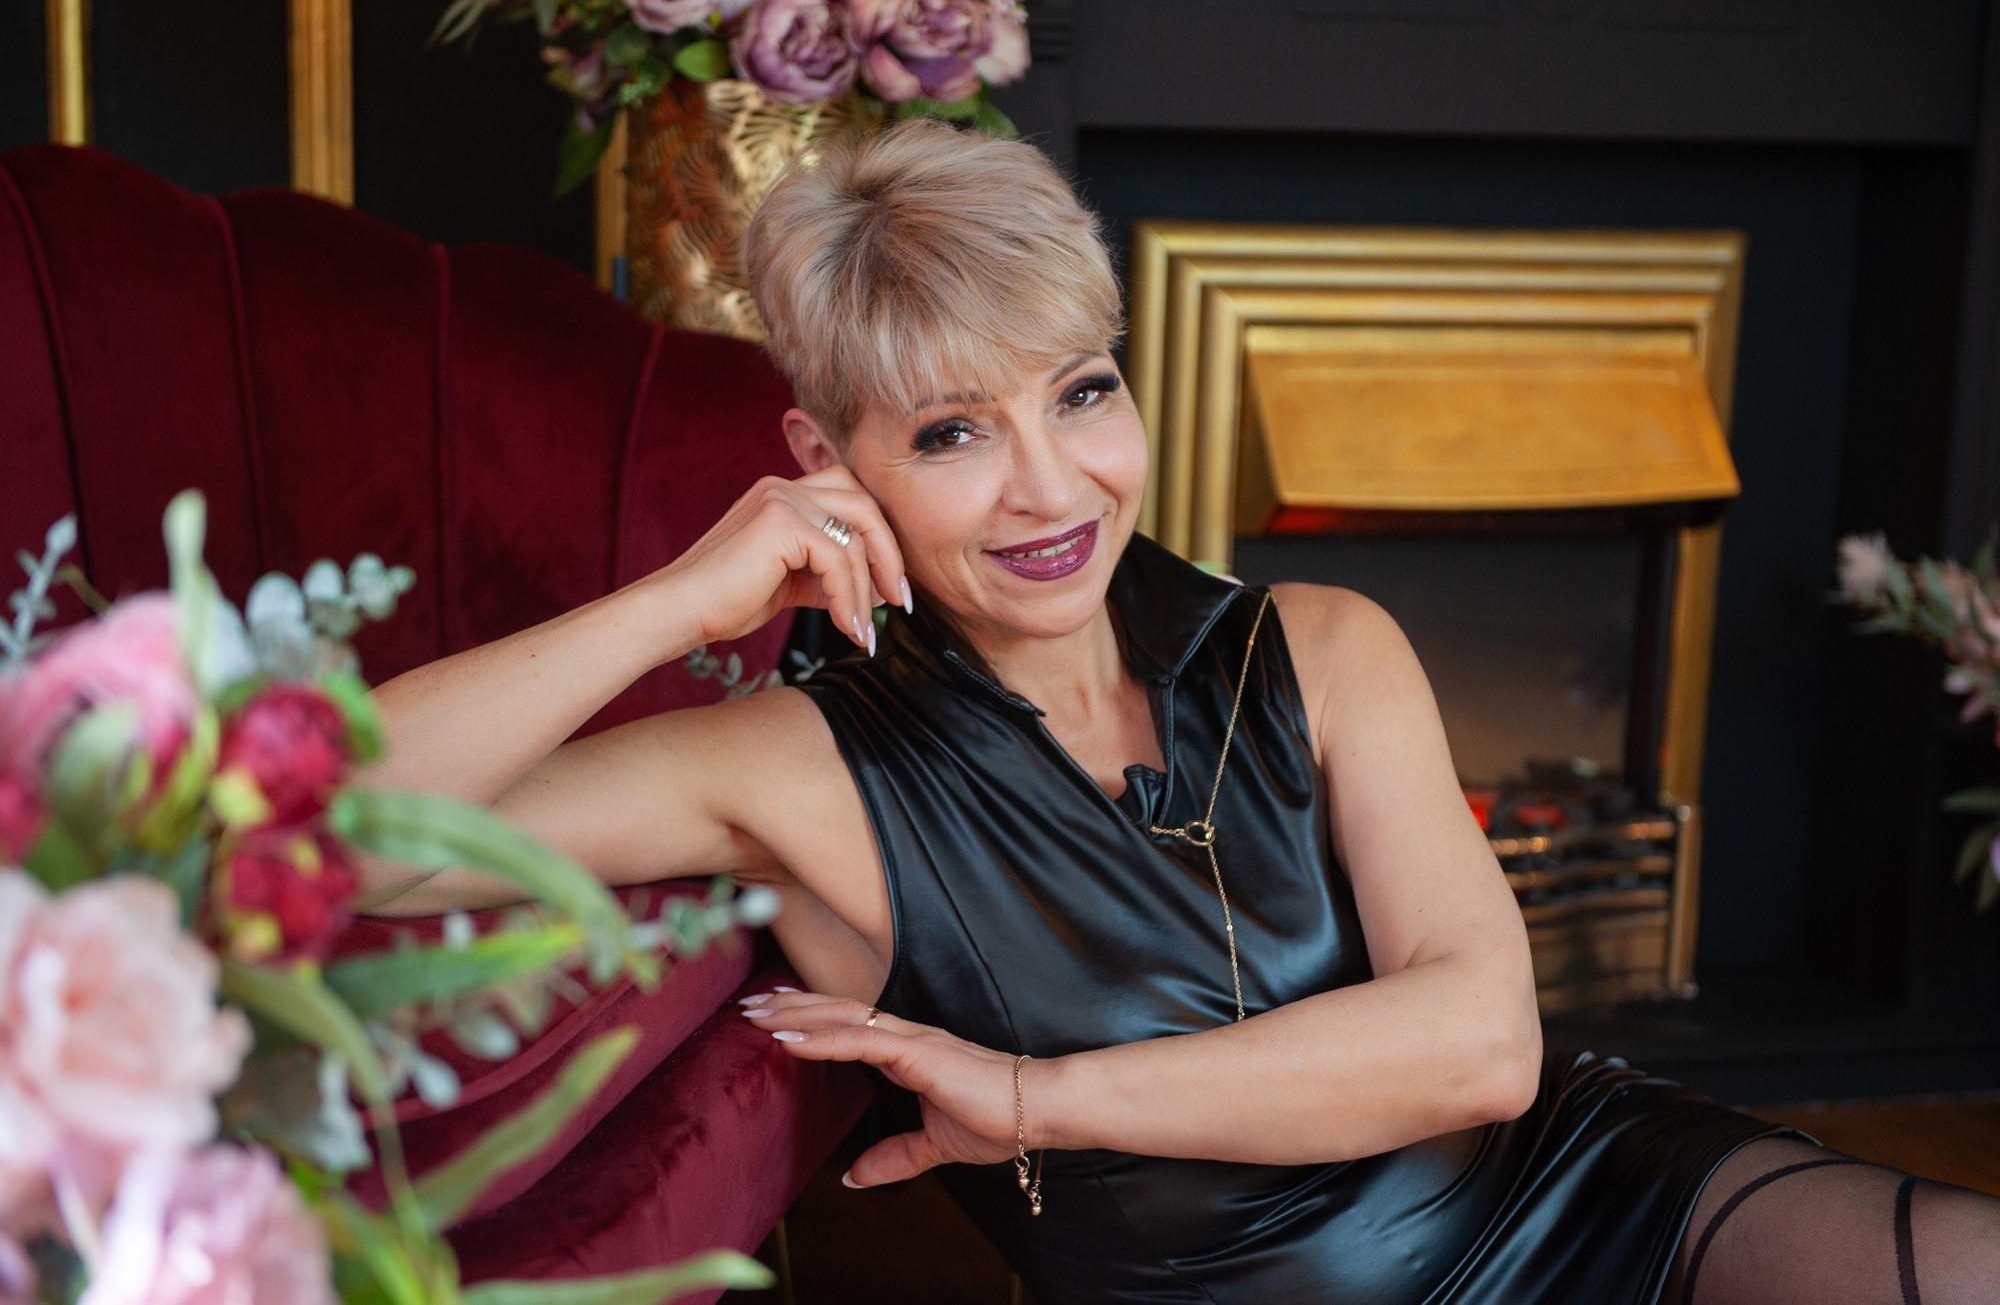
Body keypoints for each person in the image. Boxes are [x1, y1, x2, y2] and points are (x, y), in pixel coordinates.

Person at [351, 118, 2000, 1304]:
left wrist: (1032, 1100)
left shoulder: (1322, 643)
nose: (1052, 485)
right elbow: (334, 839)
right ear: (825, 462)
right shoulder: (793, 769)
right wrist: (671, 604)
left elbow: (1490, 1049)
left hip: (1582, 1197)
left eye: (1081, 390)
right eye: (951, 433)